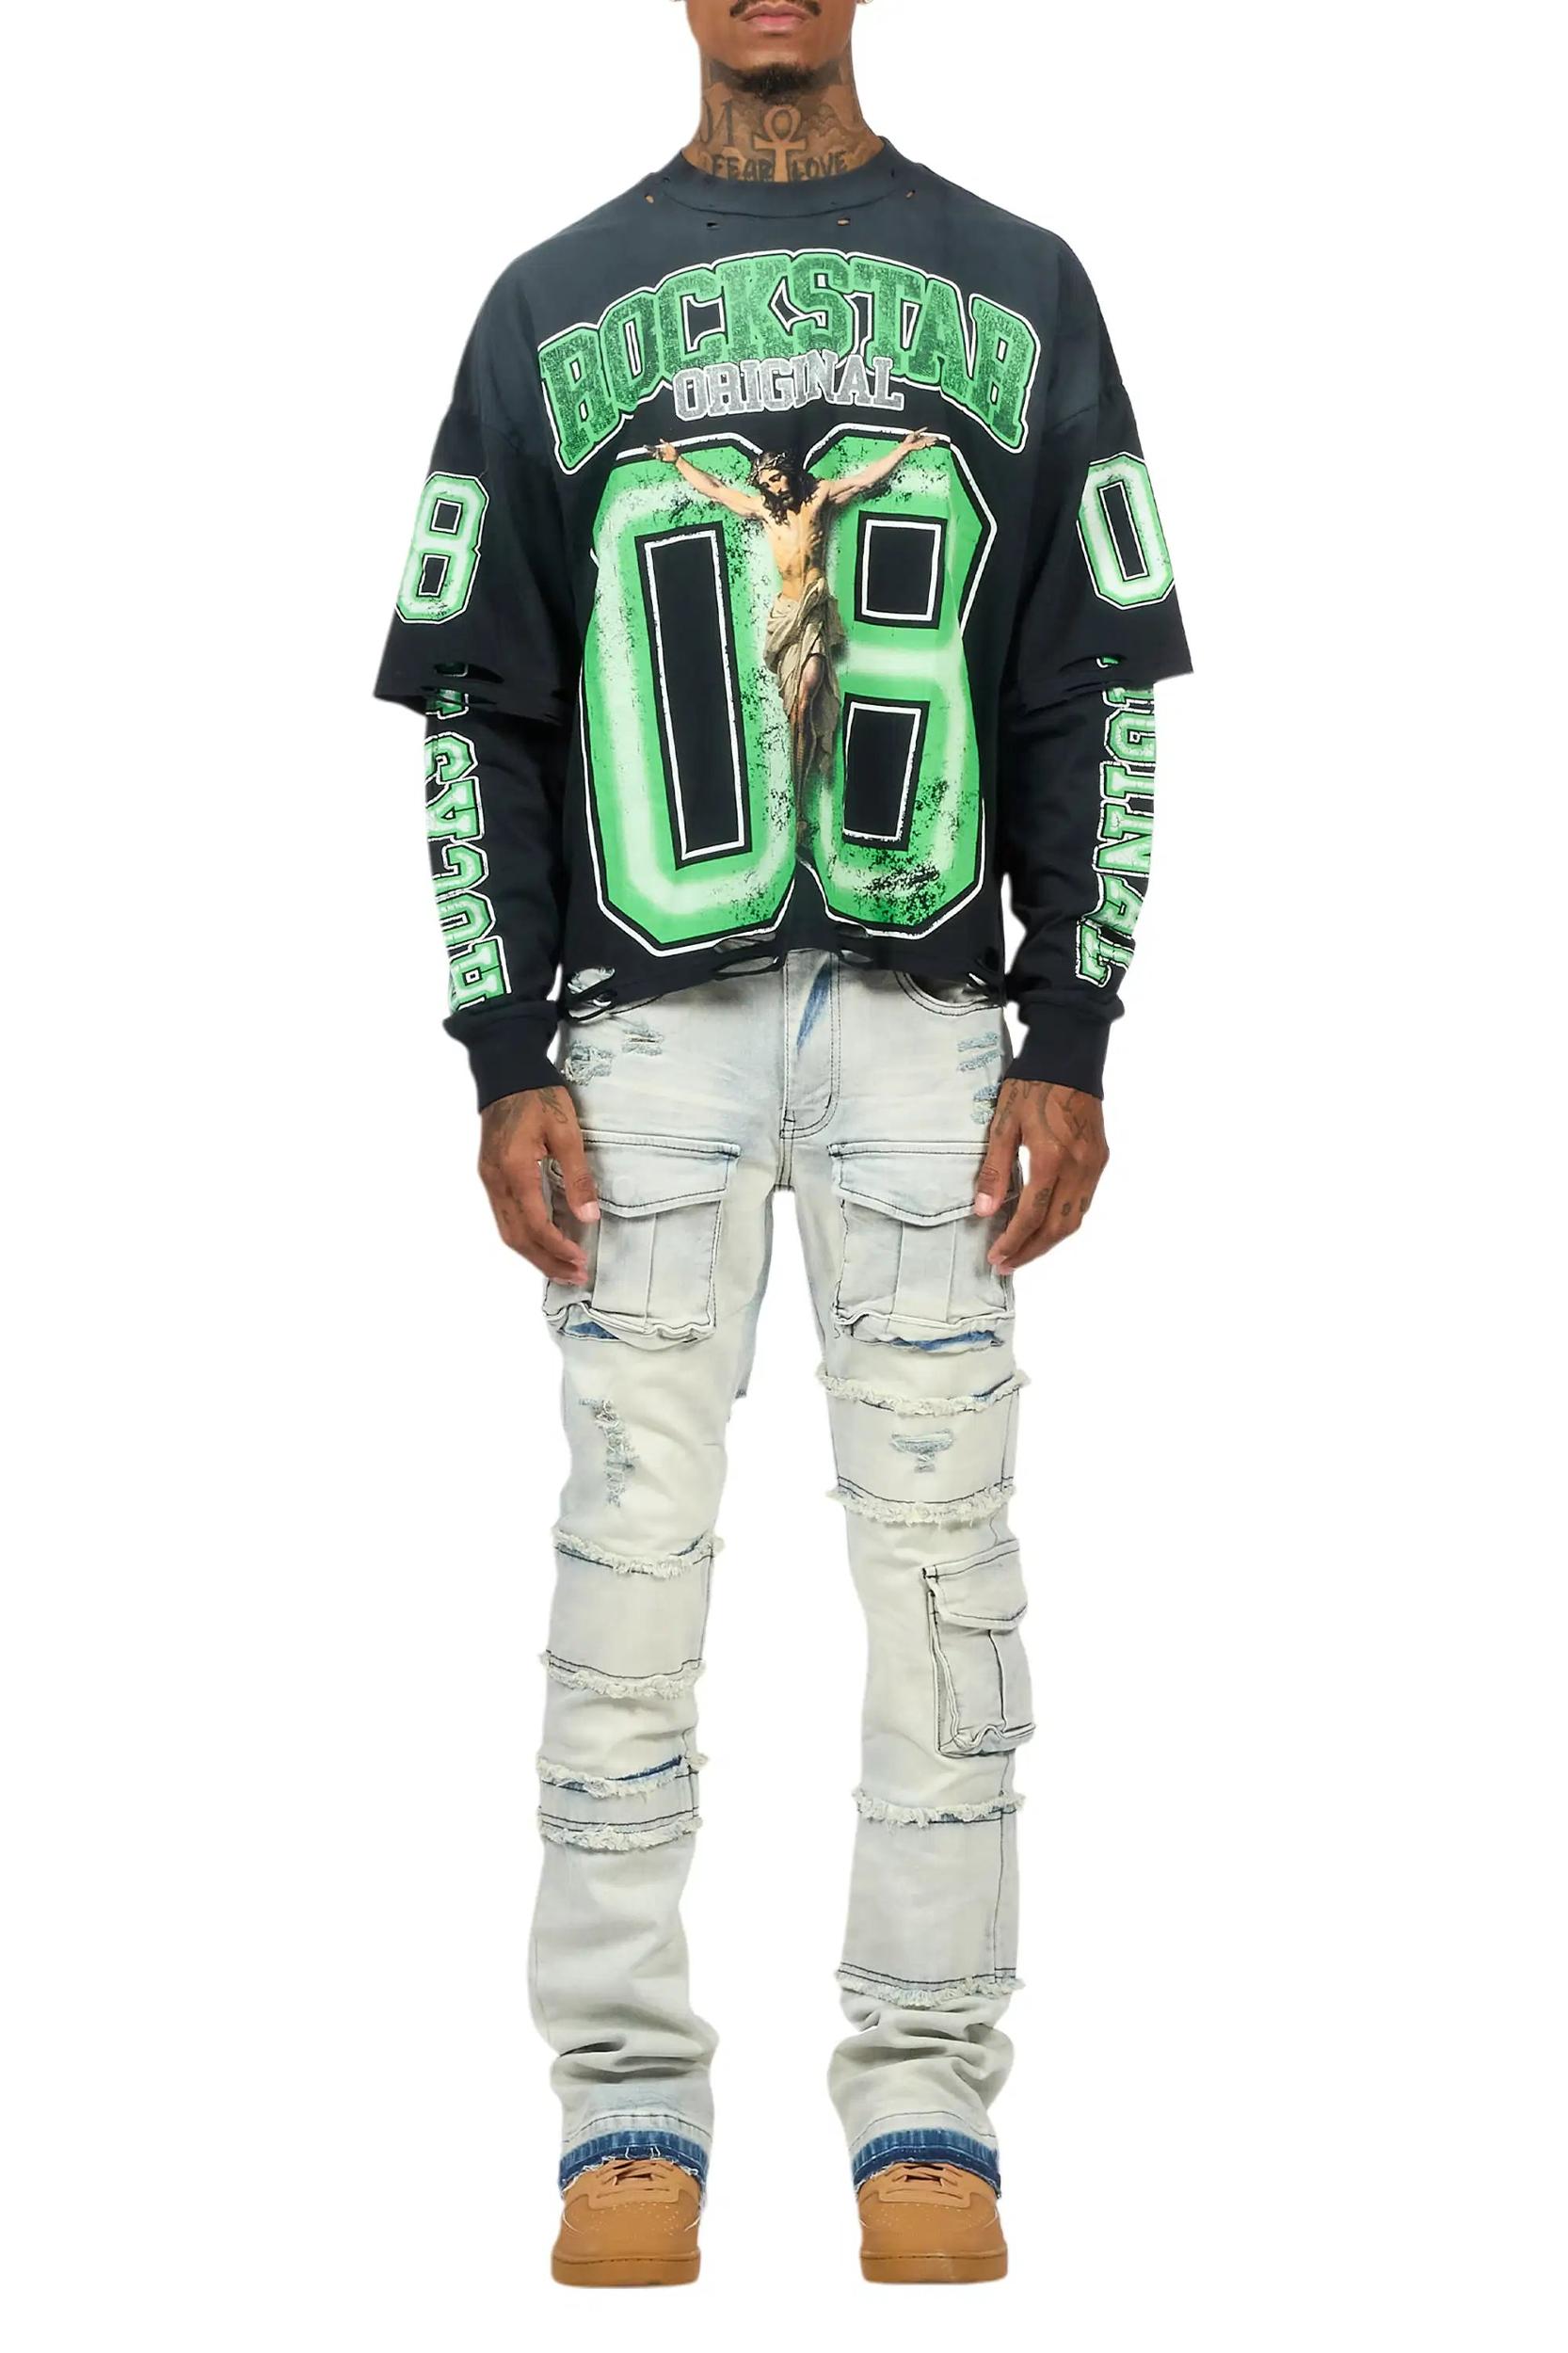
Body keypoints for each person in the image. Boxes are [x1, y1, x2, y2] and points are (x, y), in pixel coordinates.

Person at [375, 0, 1190, 2289]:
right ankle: (622, 2102)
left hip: (933, 1022)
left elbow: (1089, 679)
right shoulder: (546, 303)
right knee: (626, 1559)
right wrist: (499, 1049)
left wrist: (1072, 1026)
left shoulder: (1021, 283)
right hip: (640, 1026)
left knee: (943, 1567)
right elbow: (473, 697)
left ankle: (925, 2090)